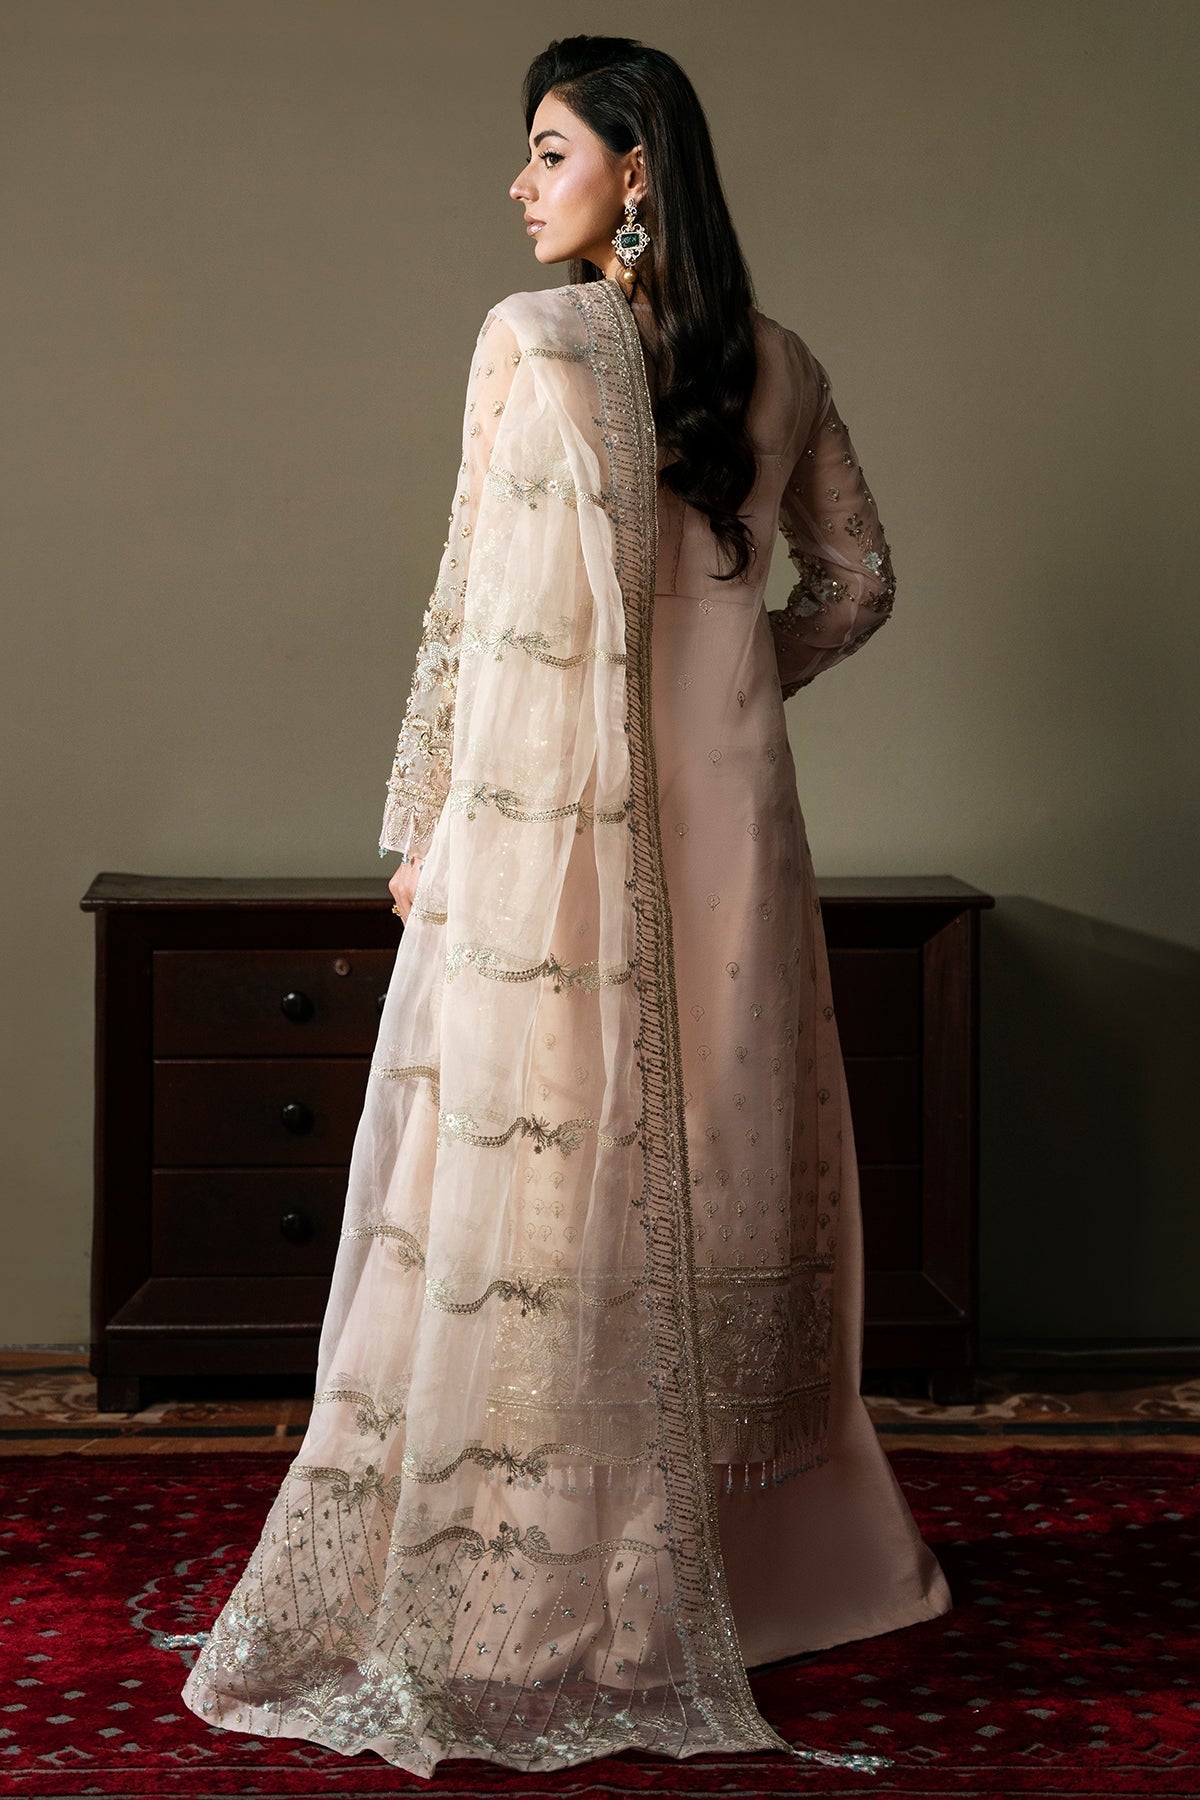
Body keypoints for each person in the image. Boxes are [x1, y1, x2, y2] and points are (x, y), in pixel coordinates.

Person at [181, 32, 951, 1779]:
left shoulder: (530, 341)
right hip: (731, 814)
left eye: (549, 151)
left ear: (635, 172)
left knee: (559, 1146)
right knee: (718, 1140)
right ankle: (772, 1570)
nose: (520, 184)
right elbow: (862, 580)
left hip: (554, 828)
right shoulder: (781, 362)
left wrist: (427, 825)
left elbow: (475, 610)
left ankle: (550, 1574)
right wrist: (731, 683)